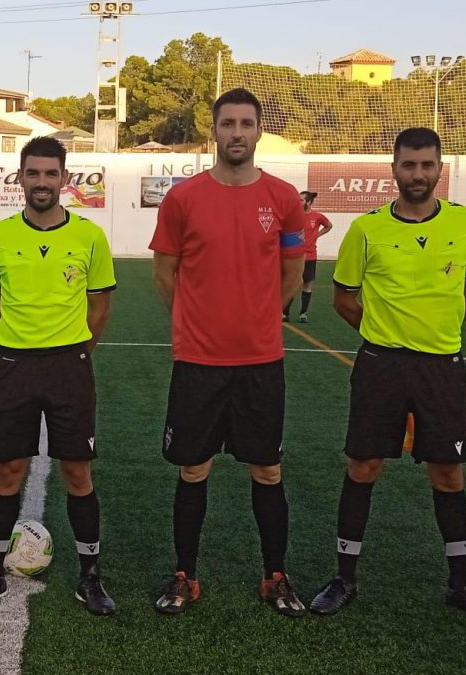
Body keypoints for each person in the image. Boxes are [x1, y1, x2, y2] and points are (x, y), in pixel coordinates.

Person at [310, 127, 466, 625]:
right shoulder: (367, 230)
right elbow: (344, 300)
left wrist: (436, 331)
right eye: (408, 165)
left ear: (439, 168)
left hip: (442, 366)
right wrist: (386, 334)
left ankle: (461, 584)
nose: (417, 174)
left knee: (447, 471)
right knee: (363, 467)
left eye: (426, 165)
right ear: (393, 169)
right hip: (381, 366)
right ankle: (344, 578)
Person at [149, 88, 307, 617]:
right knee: (193, 470)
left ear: (259, 131)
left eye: (246, 123)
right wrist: (198, 322)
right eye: (227, 124)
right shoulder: (183, 198)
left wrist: (259, 316)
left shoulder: (284, 199)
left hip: (261, 361)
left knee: (267, 471)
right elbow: (165, 273)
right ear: (212, 132)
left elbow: (291, 274)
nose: (236, 132)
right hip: (198, 362)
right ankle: (184, 575)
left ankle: (275, 576)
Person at [0, 136, 118, 616]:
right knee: (9, 471)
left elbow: (100, 306)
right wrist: (22, 344)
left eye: (52, 174)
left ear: (65, 180)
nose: (42, 182)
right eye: (34, 173)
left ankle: (89, 577)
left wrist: (73, 351)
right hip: (14, 366)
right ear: (21, 177)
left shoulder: (90, 237)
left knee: (77, 472)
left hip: (70, 366)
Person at [284, 190, 332, 323]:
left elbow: (329, 226)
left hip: (310, 256)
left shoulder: (317, 216)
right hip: (295, 257)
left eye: (301, 200)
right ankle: (285, 313)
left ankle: (303, 313)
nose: (298, 202)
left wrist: (318, 235)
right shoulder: (293, 216)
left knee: (307, 285)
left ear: (309, 202)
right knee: (292, 283)